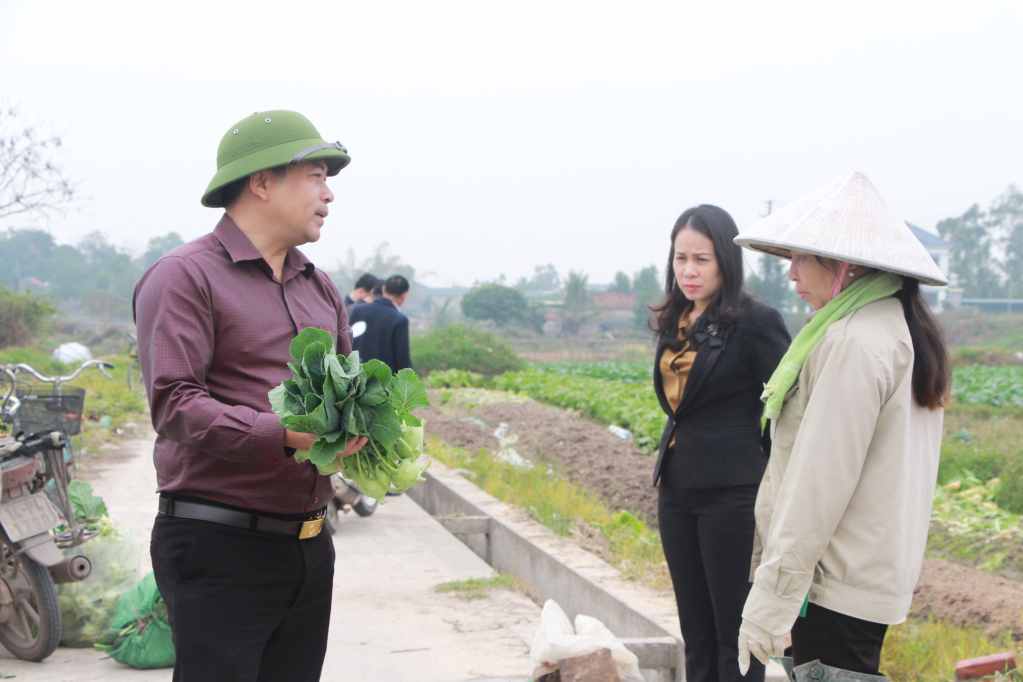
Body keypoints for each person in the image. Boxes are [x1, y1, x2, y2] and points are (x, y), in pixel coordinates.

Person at [133, 110, 368, 682]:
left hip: (309, 542)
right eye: (315, 175)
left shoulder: (320, 286)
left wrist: (359, 431)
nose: (329, 193)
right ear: (262, 182)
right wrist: (284, 435)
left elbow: (343, 391)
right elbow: (176, 403)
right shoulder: (186, 276)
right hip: (218, 543)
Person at [734, 171, 950, 682]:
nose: (792, 275)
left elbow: (818, 484)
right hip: (866, 578)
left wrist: (772, 598)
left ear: (845, 265)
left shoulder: (854, 342)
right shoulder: (897, 328)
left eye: (802, 258)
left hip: (834, 582)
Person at [651, 205, 791, 682]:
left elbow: (787, 411)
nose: (688, 271)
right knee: (696, 628)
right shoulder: (678, 319)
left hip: (731, 493)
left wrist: (768, 474)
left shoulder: (756, 322)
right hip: (676, 488)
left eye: (702, 259)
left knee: (734, 631)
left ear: (726, 262)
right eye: (680, 258)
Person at [349, 274, 413, 371]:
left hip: (357, 376)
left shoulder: (358, 310)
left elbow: (349, 342)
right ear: (404, 296)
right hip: (383, 381)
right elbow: (402, 360)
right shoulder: (400, 319)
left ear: (383, 289)